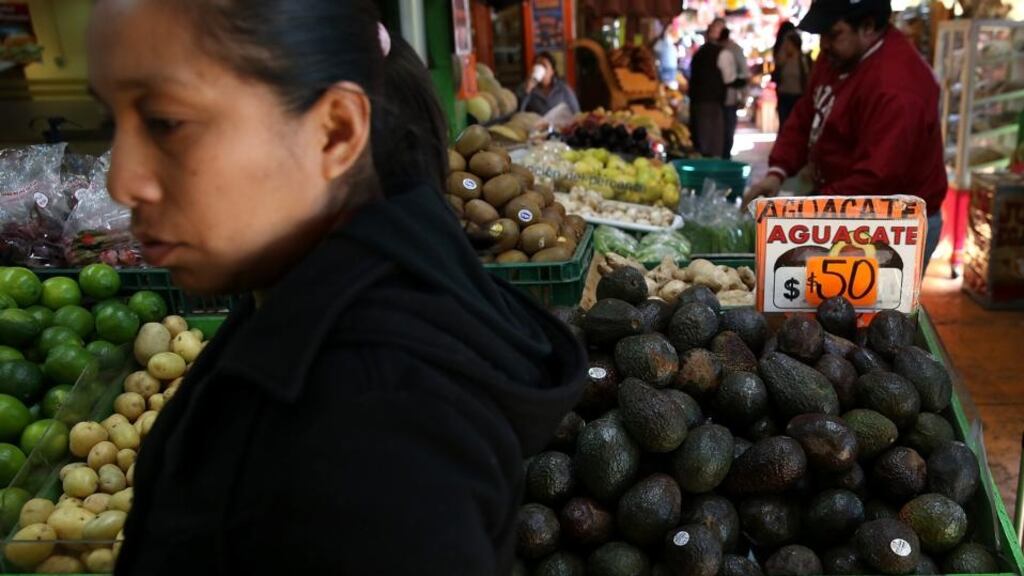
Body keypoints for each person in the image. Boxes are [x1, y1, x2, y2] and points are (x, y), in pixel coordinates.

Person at [88, 0, 586, 573]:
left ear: (335, 132)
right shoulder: (294, 311)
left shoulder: (376, 437)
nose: (122, 180)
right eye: (110, 121)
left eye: (166, 122)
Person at [743, 0, 948, 269]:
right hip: (843, 203)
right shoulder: (838, 56)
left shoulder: (897, 86)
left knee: (869, 297)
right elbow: (806, 113)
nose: (824, 44)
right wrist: (777, 171)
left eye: (833, 34)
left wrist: (806, 212)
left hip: (894, 223)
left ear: (868, 26)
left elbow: (877, 177)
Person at [688, 24, 733, 158]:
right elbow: (729, 78)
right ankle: (712, 164)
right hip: (714, 101)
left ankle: (704, 161)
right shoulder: (722, 53)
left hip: (698, 100)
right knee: (714, 140)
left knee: (702, 137)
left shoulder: (699, 53)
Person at [720, 28, 751, 160]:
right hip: (725, 99)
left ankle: (725, 157)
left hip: (728, 98)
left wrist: (744, 96)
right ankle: (725, 157)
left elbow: (744, 74)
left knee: (726, 131)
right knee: (726, 131)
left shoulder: (733, 49)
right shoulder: (733, 49)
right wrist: (744, 96)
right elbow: (745, 73)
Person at [518, 51, 580, 116]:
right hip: (537, 122)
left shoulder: (563, 89)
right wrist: (527, 90)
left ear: (552, 71)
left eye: (544, 66)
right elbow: (519, 113)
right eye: (537, 65)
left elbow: (576, 112)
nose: (539, 68)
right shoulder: (527, 88)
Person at [774, 28, 810, 127]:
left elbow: (807, 77)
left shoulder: (803, 59)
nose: (786, 46)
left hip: (798, 96)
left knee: (797, 124)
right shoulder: (783, 58)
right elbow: (777, 73)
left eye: (788, 43)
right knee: (784, 124)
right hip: (784, 95)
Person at [654, 25, 681, 90]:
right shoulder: (668, 44)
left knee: (663, 85)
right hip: (669, 67)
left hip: (666, 67)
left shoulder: (664, 43)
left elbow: (656, 49)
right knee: (666, 85)